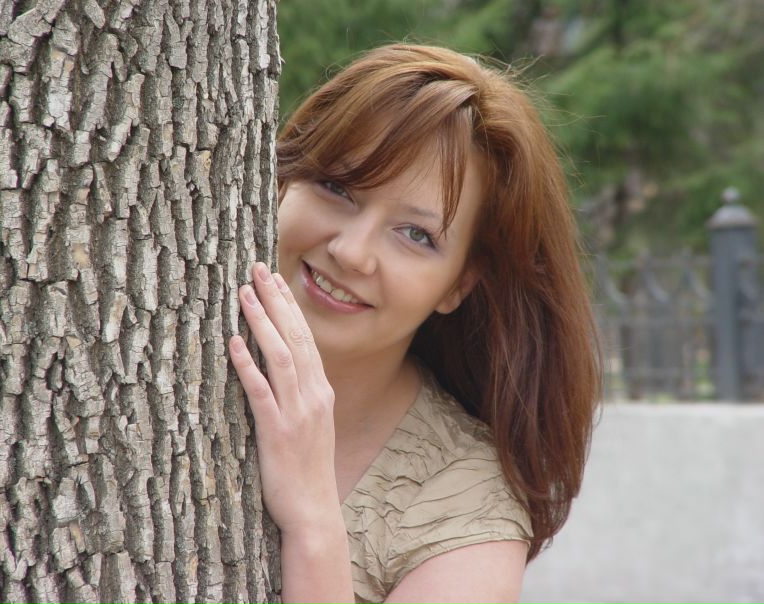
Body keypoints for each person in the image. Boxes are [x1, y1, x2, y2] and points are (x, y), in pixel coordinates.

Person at [228, 43, 601, 604]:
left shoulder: (466, 509)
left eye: (416, 235)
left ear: (459, 285)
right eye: (337, 188)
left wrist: (312, 522)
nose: (352, 252)